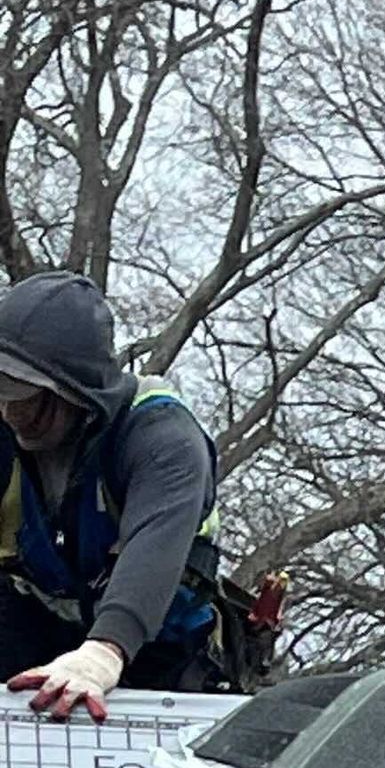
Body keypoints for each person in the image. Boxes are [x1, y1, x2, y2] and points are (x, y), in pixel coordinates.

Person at [0, 271, 224, 721]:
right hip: (41, 631)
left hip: (160, 652)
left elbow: (152, 553)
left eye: (26, 397)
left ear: (77, 392)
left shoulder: (164, 441)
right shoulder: (5, 430)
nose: (11, 413)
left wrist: (102, 653)